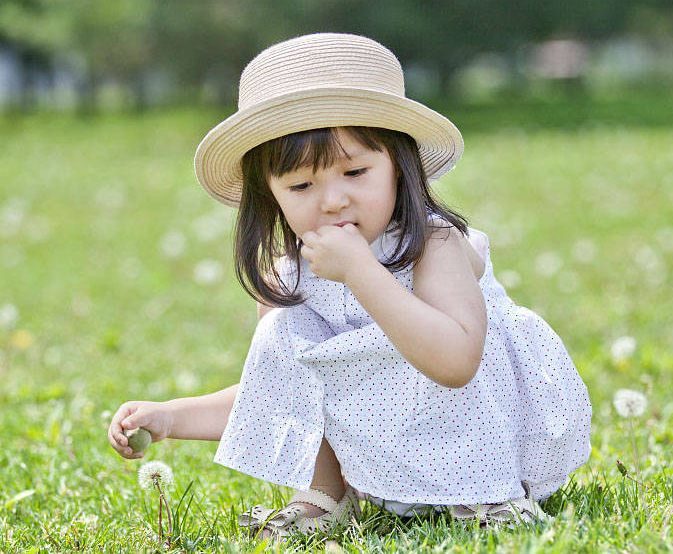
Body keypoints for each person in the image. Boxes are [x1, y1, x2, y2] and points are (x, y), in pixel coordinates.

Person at [108, 33, 592, 541]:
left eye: (356, 171)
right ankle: (325, 496)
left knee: (420, 339)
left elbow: (457, 362)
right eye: (300, 186)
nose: (333, 200)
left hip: (480, 439)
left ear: (399, 167)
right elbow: (278, 393)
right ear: (270, 198)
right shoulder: (288, 277)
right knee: (285, 334)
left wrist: (364, 274)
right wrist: (170, 418)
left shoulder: (432, 244)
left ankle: (487, 495)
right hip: (383, 457)